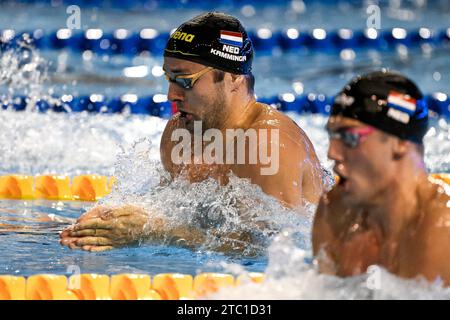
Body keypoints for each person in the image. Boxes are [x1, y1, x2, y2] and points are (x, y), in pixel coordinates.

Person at [60, 12, 324, 252]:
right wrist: (113, 221)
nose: (171, 96)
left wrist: (155, 231)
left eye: (186, 81)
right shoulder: (181, 133)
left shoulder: (268, 146)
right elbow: (174, 206)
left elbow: (274, 251)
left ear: (233, 78)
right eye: (170, 79)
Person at [312, 70, 450, 284]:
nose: (332, 152)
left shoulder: (442, 229)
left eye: (349, 137)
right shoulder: (335, 212)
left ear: (400, 143)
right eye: (332, 135)